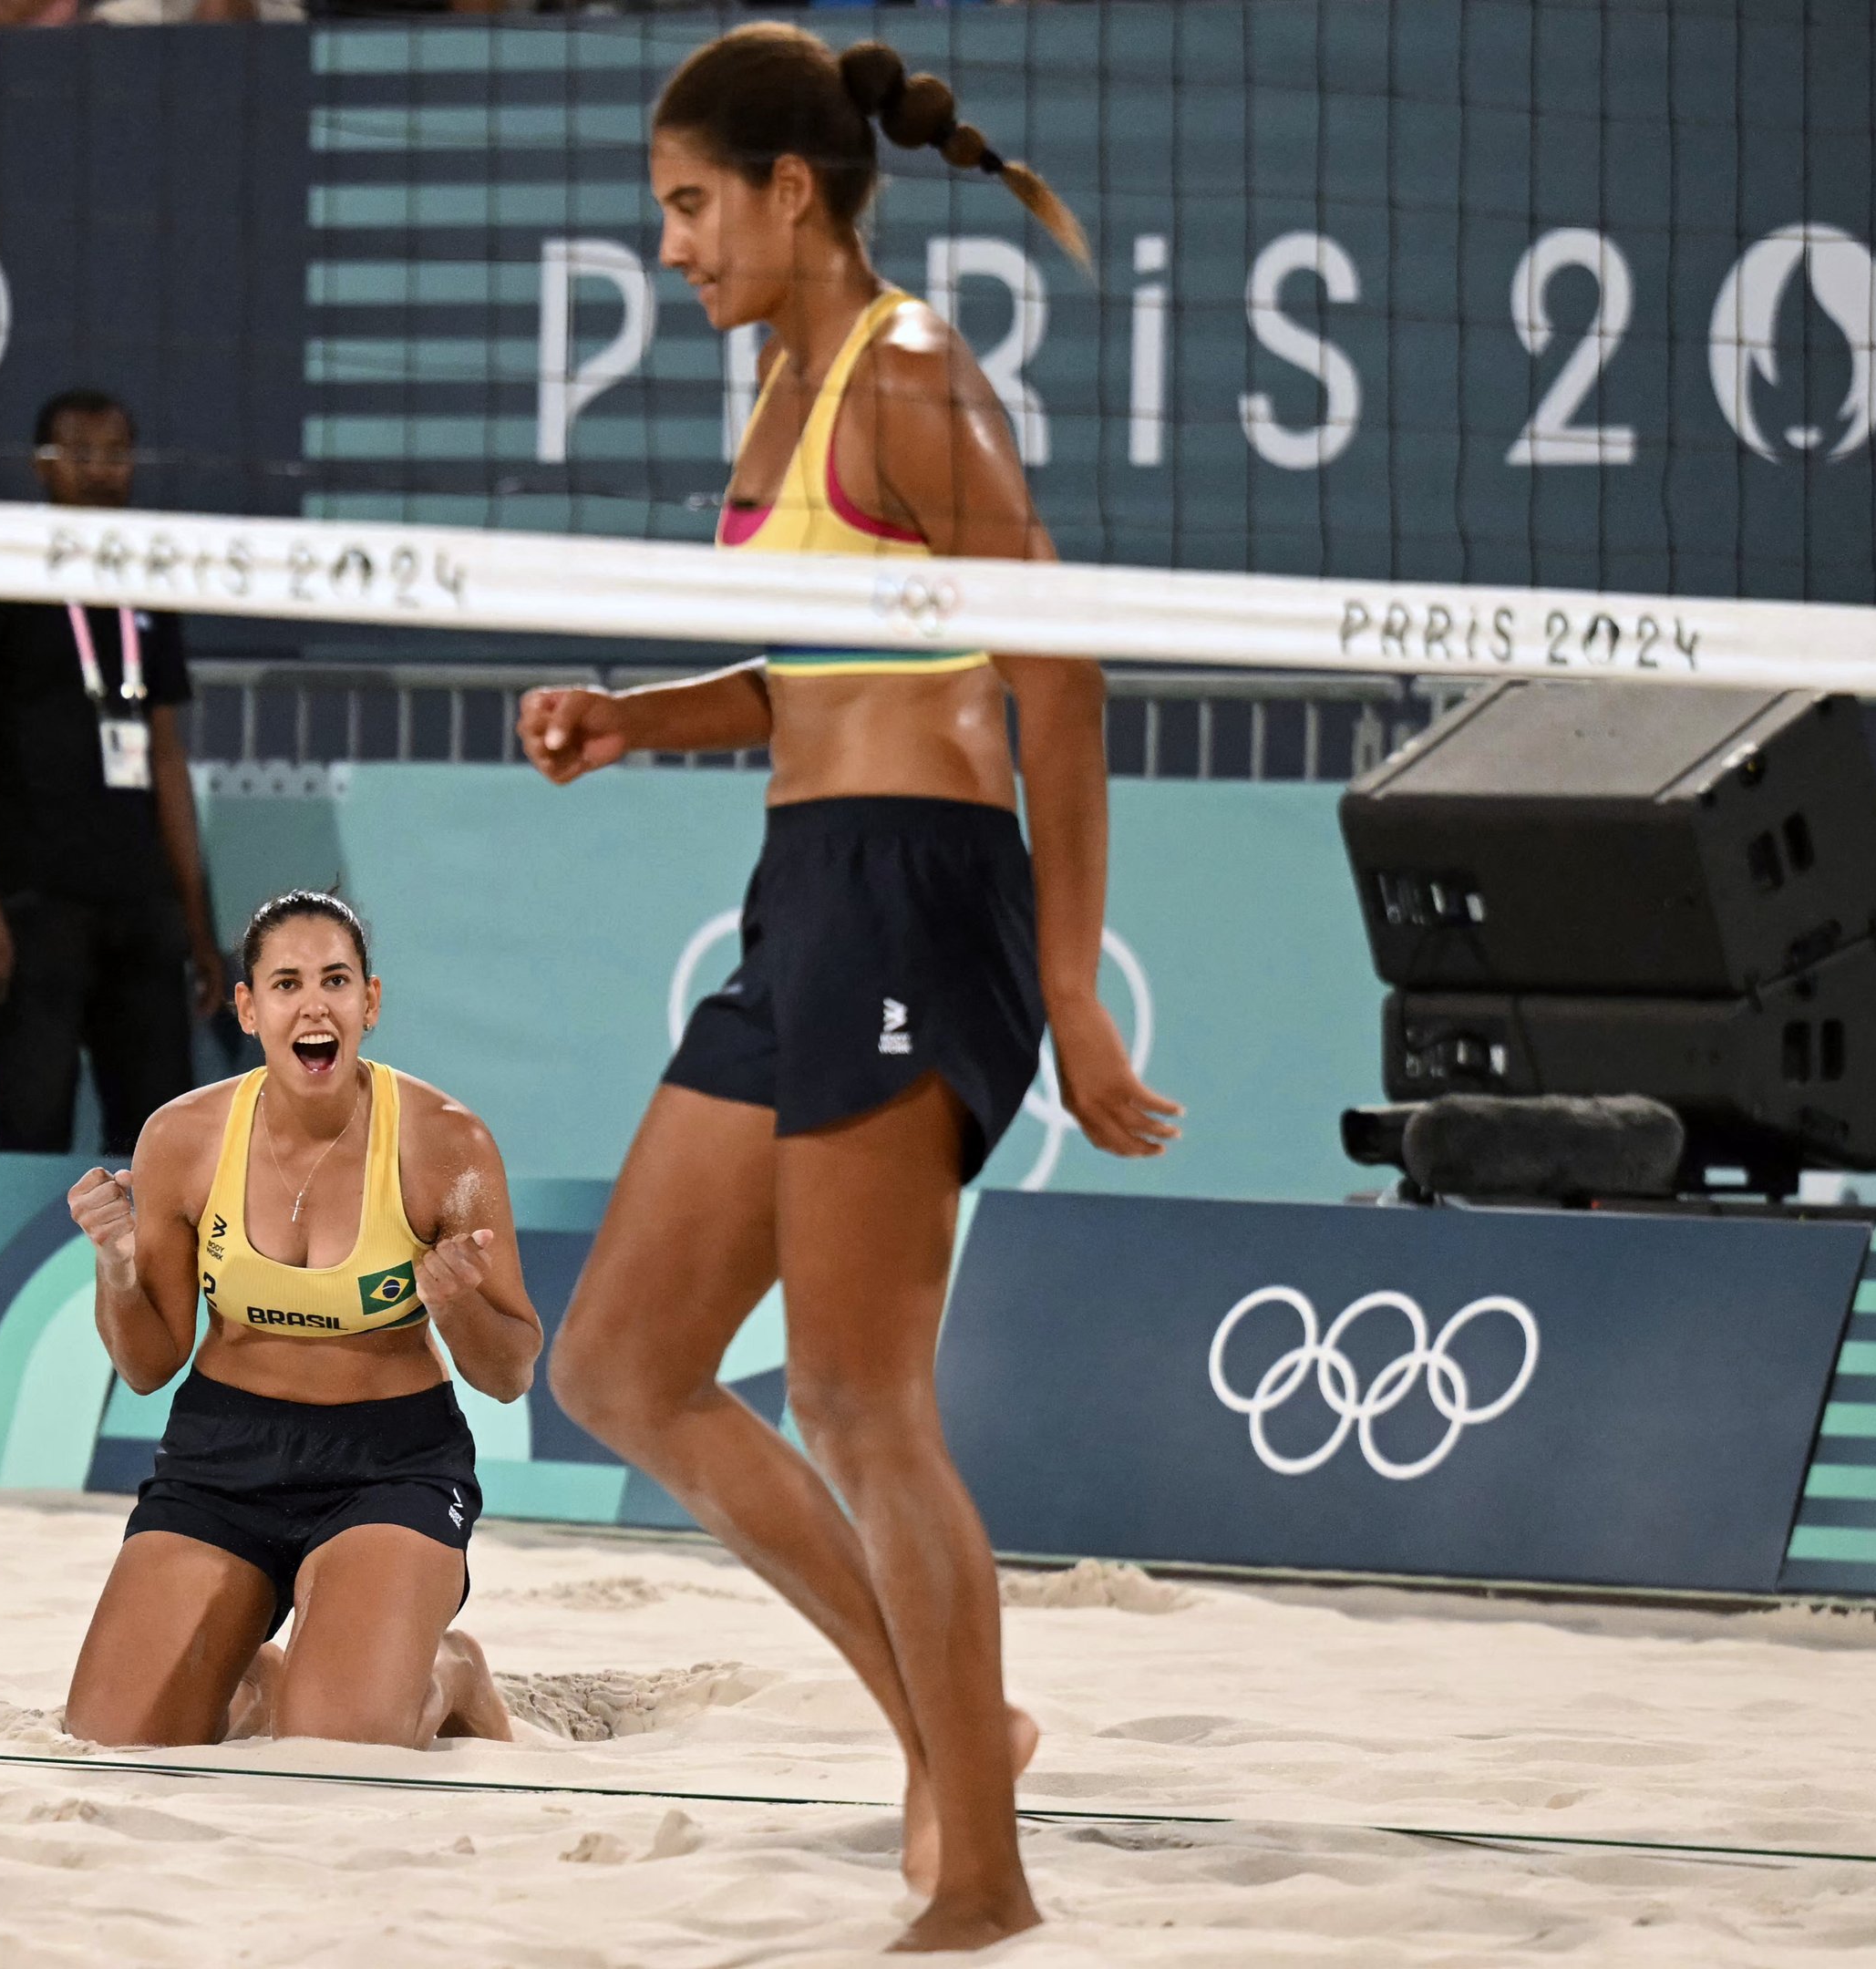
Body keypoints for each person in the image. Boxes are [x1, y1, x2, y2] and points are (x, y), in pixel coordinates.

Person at [516, 24, 1179, 1954]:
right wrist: (638, 722)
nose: (672, 250)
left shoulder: (904, 377)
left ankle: (981, 1878)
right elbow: (815, 663)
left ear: (791, 193)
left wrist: (1071, 986)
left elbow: (1058, 663)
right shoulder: (781, 386)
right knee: (622, 1364)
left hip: (921, 895)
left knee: (859, 1401)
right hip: (802, 888)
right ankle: (958, 1731)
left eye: (691, 207)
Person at [59, 891, 537, 1748]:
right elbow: (145, 1366)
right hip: (220, 1458)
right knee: (114, 1739)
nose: (314, 1004)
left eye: (336, 980)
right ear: (249, 1008)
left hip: (391, 1465)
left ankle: (446, 1670)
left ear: (371, 1003)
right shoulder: (183, 1138)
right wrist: (118, 1272)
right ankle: (276, 1671)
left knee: (337, 1747)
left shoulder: (443, 1141)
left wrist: (457, 1304)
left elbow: (510, 1373)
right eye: (286, 983)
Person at [0, 387, 230, 1157]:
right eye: (81, 455)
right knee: (32, 1136)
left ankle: (147, 1284)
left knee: (160, 1155)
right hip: (33, 908)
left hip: (140, 911)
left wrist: (198, 927)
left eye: (116, 453)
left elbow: (165, 756)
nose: (101, 471)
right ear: (41, 465)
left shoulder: (144, 578)